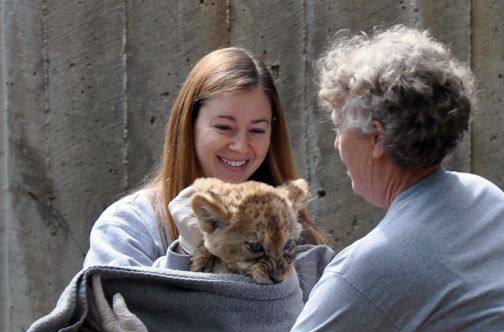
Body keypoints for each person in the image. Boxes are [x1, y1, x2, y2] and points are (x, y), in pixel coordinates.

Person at [89, 25, 504, 332]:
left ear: (375, 137)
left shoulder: (373, 266)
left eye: (338, 126)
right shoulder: (494, 203)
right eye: (224, 125)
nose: (334, 143)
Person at [82, 47, 328, 272]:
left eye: (257, 130)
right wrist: (184, 251)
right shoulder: (128, 225)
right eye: (224, 127)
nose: (241, 146)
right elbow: (111, 310)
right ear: (189, 124)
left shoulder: (295, 234)